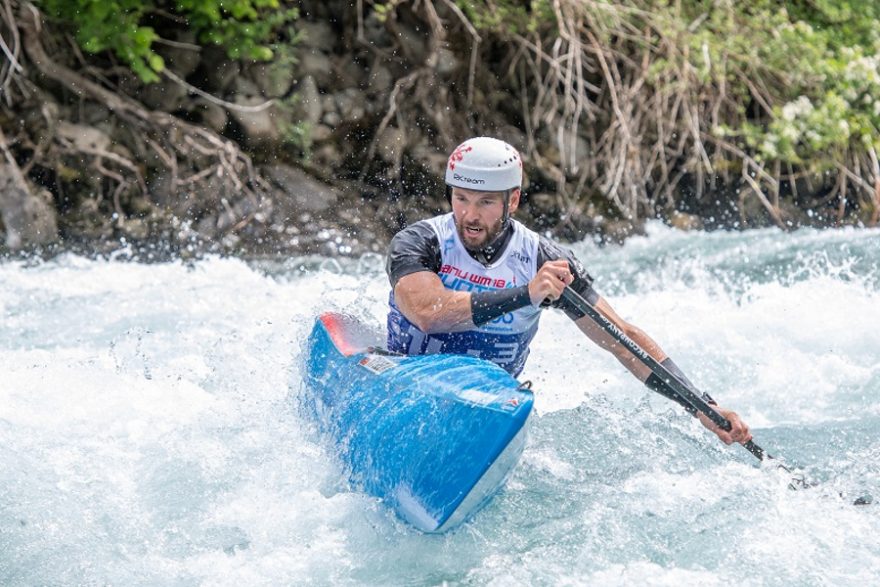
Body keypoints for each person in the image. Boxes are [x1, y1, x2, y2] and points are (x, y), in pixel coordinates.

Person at [385, 136, 751, 446]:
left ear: (512, 201)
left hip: (488, 407)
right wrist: (526, 294)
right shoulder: (421, 242)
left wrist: (701, 404)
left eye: (485, 202)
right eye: (461, 199)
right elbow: (427, 313)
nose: (470, 216)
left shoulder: (545, 259)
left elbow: (621, 338)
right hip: (406, 384)